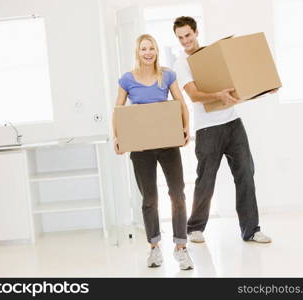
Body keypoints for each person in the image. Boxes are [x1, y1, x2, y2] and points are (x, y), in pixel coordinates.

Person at [173, 16, 277, 244]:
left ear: (196, 32)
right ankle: (195, 228)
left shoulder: (211, 55)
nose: (185, 41)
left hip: (232, 123)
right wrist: (217, 96)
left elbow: (237, 83)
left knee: (246, 174)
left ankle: (251, 230)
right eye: (180, 38)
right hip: (207, 128)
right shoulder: (182, 64)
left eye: (188, 35)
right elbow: (193, 95)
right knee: (206, 179)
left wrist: (263, 87)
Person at [112, 34, 194, 270]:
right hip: (141, 148)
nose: (148, 53)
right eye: (143, 49)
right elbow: (118, 110)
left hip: (168, 144)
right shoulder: (127, 79)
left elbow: (180, 103)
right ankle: (155, 248)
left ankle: (181, 248)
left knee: (177, 193)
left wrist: (186, 128)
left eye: (152, 49)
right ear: (138, 52)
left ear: (156, 51)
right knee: (150, 199)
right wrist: (118, 137)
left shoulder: (167, 75)